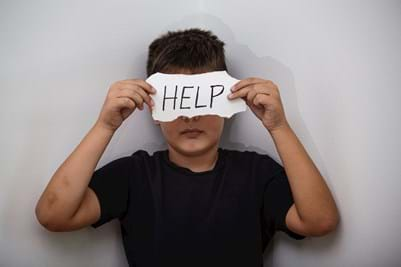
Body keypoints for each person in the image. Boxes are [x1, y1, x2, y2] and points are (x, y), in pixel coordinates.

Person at [35, 28, 339, 267]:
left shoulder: (256, 173)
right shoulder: (134, 175)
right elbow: (53, 215)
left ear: (225, 103)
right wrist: (105, 126)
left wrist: (279, 127)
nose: (190, 115)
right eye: (176, 101)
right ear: (154, 110)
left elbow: (319, 221)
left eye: (203, 100)